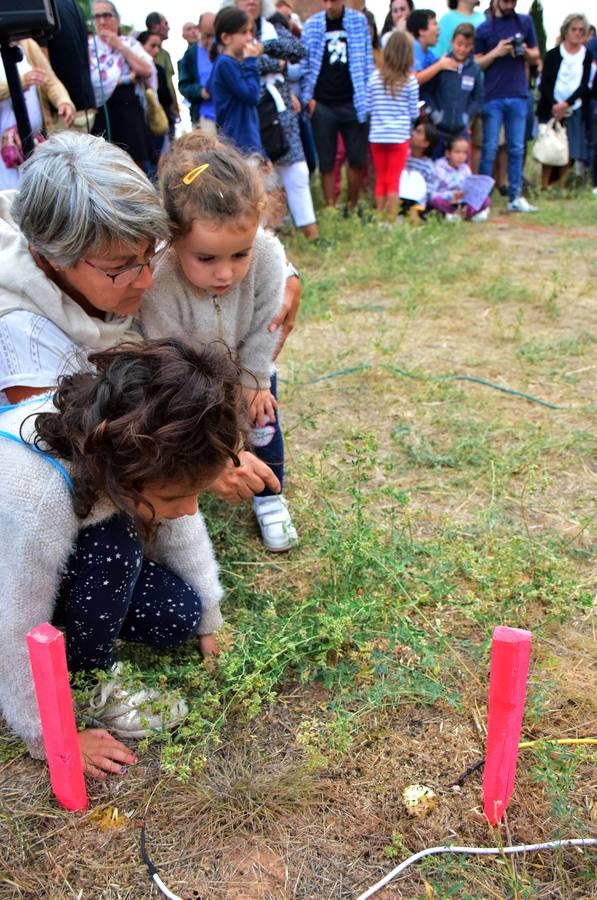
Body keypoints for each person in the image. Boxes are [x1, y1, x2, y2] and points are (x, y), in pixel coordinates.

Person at [0, 338, 243, 776]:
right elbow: (16, 620)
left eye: (197, 494)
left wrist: (211, 618)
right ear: (124, 473)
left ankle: (77, 636)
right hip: (11, 572)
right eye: (175, 496)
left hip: (61, 554)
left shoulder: (146, 455)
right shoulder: (38, 493)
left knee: (176, 614)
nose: (190, 508)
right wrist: (50, 736)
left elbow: (184, 528)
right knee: (118, 540)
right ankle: (92, 676)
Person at [0, 131, 281, 499]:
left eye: (150, 253)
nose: (149, 279)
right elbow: (77, 453)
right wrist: (197, 466)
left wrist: (284, 275)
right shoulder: (22, 337)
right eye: (122, 267)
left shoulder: (107, 237)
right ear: (55, 258)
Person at [139, 132, 298, 553]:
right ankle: (194, 490)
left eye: (238, 255)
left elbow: (269, 320)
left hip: (250, 367)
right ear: (174, 238)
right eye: (207, 258)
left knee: (263, 425)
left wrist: (255, 378)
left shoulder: (266, 256)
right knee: (197, 436)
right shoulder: (160, 280)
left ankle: (271, 498)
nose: (226, 273)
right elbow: (164, 352)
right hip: (188, 379)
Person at [236, 0, 318, 239]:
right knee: (256, 181)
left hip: (281, 113)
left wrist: (262, 48)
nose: (251, 2)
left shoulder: (272, 27)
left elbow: (298, 50)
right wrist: (275, 62)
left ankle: (311, 235)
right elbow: (237, 62)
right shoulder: (229, 31)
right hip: (250, 115)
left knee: (297, 172)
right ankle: (261, 241)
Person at [301, 0, 373, 208]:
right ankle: (330, 207)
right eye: (326, 1)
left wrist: (366, 98)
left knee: (357, 159)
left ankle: (352, 206)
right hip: (322, 103)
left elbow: (367, 62)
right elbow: (304, 63)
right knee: (327, 161)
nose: (330, 5)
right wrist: (309, 98)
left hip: (354, 100)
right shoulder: (312, 25)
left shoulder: (358, 21)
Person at [474, 0, 540, 212]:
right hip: (492, 95)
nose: (510, 3)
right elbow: (476, 63)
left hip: (518, 93)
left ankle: (515, 197)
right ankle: (482, 200)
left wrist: (524, 52)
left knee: (517, 148)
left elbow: (536, 56)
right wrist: (497, 52)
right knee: (490, 147)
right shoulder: (484, 28)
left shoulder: (525, 22)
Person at [0, 39, 74, 189]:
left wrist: (63, 101)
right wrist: (19, 82)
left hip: (35, 144)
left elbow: (50, 81)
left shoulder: (27, 43)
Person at [88, 1, 154, 167]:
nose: (102, 21)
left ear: (117, 19)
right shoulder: (88, 47)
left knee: (134, 164)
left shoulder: (129, 44)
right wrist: (127, 77)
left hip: (128, 112)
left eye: (107, 15)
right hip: (101, 112)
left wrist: (120, 47)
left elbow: (146, 70)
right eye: (97, 16)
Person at [366, 31, 419, 218]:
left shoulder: (374, 78)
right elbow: (414, 112)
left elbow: (368, 107)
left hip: (377, 136)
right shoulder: (410, 81)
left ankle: (380, 218)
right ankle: (391, 218)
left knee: (381, 178)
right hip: (399, 137)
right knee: (394, 179)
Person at [536, 14, 592, 190]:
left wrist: (567, 103)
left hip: (574, 107)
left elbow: (585, 84)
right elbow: (544, 83)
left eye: (581, 30)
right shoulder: (553, 54)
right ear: (566, 31)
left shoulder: (586, 56)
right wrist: (555, 104)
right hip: (551, 107)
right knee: (550, 146)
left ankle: (561, 185)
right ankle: (544, 185)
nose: (577, 33)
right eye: (574, 29)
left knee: (570, 149)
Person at [211, 7, 265, 156]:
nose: (249, 38)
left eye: (250, 32)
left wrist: (262, 153)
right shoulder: (225, 64)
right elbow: (252, 95)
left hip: (250, 145)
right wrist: (251, 60)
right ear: (226, 38)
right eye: (243, 32)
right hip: (239, 147)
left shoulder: (234, 63)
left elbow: (250, 115)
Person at [426, 23, 484, 157]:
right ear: (452, 43)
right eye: (459, 44)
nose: (462, 49)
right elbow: (427, 92)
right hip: (438, 129)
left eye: (467, 45)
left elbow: (478, 97)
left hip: (460, 131)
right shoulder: (441, 64)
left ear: (472, 47)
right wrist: (434, 114)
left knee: (457, 169)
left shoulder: (474, 69)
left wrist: (467, 116)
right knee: (436, 166)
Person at [37, 0, 95, 124]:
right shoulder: (73, 5)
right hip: (84, 106)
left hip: (63, 113)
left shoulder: (40, 5)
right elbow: (88, 55)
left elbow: (42, 63)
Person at [430, 132, 491, 219]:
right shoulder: (439, 168)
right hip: (448, 200)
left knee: (486, 199)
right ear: (448, 153)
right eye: (457, 152)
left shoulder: (465, 169)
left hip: (463, 202)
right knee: (435, 201)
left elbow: (469, 187)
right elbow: (433, 193)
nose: (461, 156)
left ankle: (464, 214)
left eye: (464, 153)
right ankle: (456, 214)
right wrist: (451, 195)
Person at [178, 12, 217, 134]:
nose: (210, 40)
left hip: (227, 114)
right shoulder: (191, 55)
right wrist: (200, 91)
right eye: (207, 35)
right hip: (204, 116)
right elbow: (183, 85)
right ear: (200, 30)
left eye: (214, 35)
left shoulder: (225, 48)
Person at [406, 9, 460, 89]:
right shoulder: (414, 48)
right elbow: (414, 80)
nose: (439, 28)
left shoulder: (429, 53)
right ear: (422, 31)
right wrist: (440, 65)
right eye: (435, 24)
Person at [145, 11, 180, 134]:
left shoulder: (165, 54)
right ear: (155, 26)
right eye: (165, 23)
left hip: (168, 110)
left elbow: (170, 84)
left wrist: (175, 107)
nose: (168, 27)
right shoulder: (145, 56)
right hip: (155, 113)